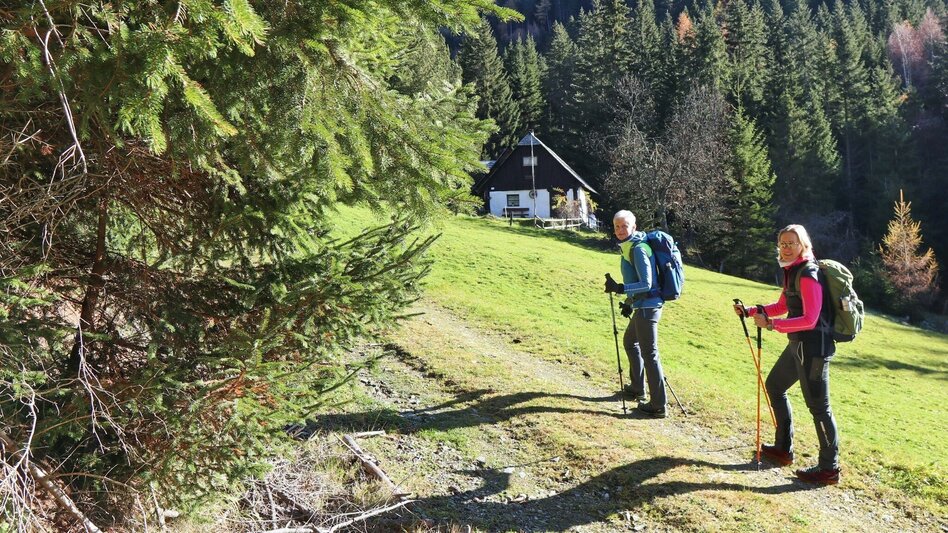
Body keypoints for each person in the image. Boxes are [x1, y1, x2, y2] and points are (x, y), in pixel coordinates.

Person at [732, 224, 840, 485]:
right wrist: (749, 311)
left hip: (814, 348)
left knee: (819, 407)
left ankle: (829, 468)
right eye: (782, 243)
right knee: (775, 386)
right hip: (798, 344)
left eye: (792, 243)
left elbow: (810, 319)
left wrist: (772, 325)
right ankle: (783, 449)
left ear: (803, 244)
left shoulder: (808, 273)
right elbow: (783, 305)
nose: (786, 247)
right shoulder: (791, 271)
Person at [604, 210, 667, 418]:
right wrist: (629, 302)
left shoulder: (638, 248)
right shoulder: (629, 247)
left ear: (634, 227)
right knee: (630, 342)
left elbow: (647, 284)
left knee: (650, 353)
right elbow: (638, 283)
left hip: (649, 307)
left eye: (624, 226)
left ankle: (658, 404)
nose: (621, 230)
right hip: (641, 305)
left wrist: (620, 289)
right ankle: (637, 387)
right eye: (617, 227)